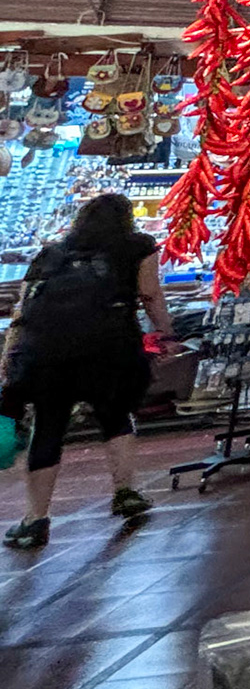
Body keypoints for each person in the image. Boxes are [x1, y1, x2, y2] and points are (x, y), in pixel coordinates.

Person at [2, 194, 174, 548]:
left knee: (48, 428)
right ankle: (125, 491)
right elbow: (150, 294)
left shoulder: (51, 254)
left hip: (48, 354)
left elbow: (23, 309)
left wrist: (9, 354)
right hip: (109, 350)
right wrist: (166, 332)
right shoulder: (137, 246)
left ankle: (35, 520)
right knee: (116, 417)